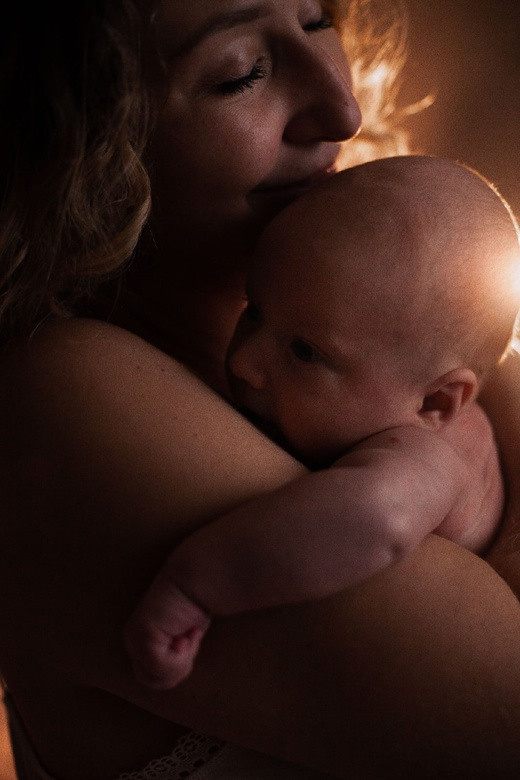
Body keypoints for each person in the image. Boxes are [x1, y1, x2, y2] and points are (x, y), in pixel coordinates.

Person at [2, 1, 520, 779]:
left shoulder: (399, 342)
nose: (343, 110)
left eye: (317, 21)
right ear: (73, 139)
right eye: (240, 72)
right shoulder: (60, 398)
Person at [123, 154, 519, 690]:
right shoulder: (381, 399)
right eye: (255, 311)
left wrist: (196, 587)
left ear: (437, 403)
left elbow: (377, 519)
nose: (245, 363)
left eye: (305, 353)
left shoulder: (425, 453)